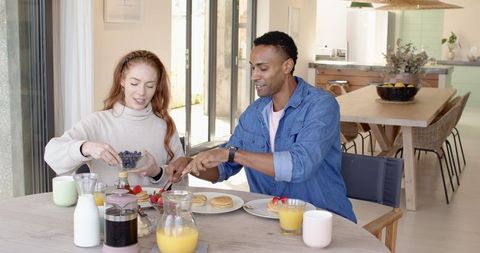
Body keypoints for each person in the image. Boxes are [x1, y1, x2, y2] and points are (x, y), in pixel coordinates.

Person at [167, 31, 356, 222]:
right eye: (252, 68)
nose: (254, 76)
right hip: (269, 221)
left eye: (262, 68)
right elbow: (223, 169)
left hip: (321, 219)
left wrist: (231, 153)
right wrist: (191, 164)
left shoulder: (321, 105)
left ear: (287, 66)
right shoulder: (253, 114)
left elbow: (300, 166)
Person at [45, 50, 190, 187]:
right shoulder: (97, 122)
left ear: (157, 86)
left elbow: (181, 186)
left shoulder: (164, 125)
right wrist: (86, 147)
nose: (141, 92)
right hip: (106, 211)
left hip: (153, 213)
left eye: (150, 86)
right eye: (134, 83)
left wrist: (157, 173)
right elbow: (52, 154)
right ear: (122, 80)